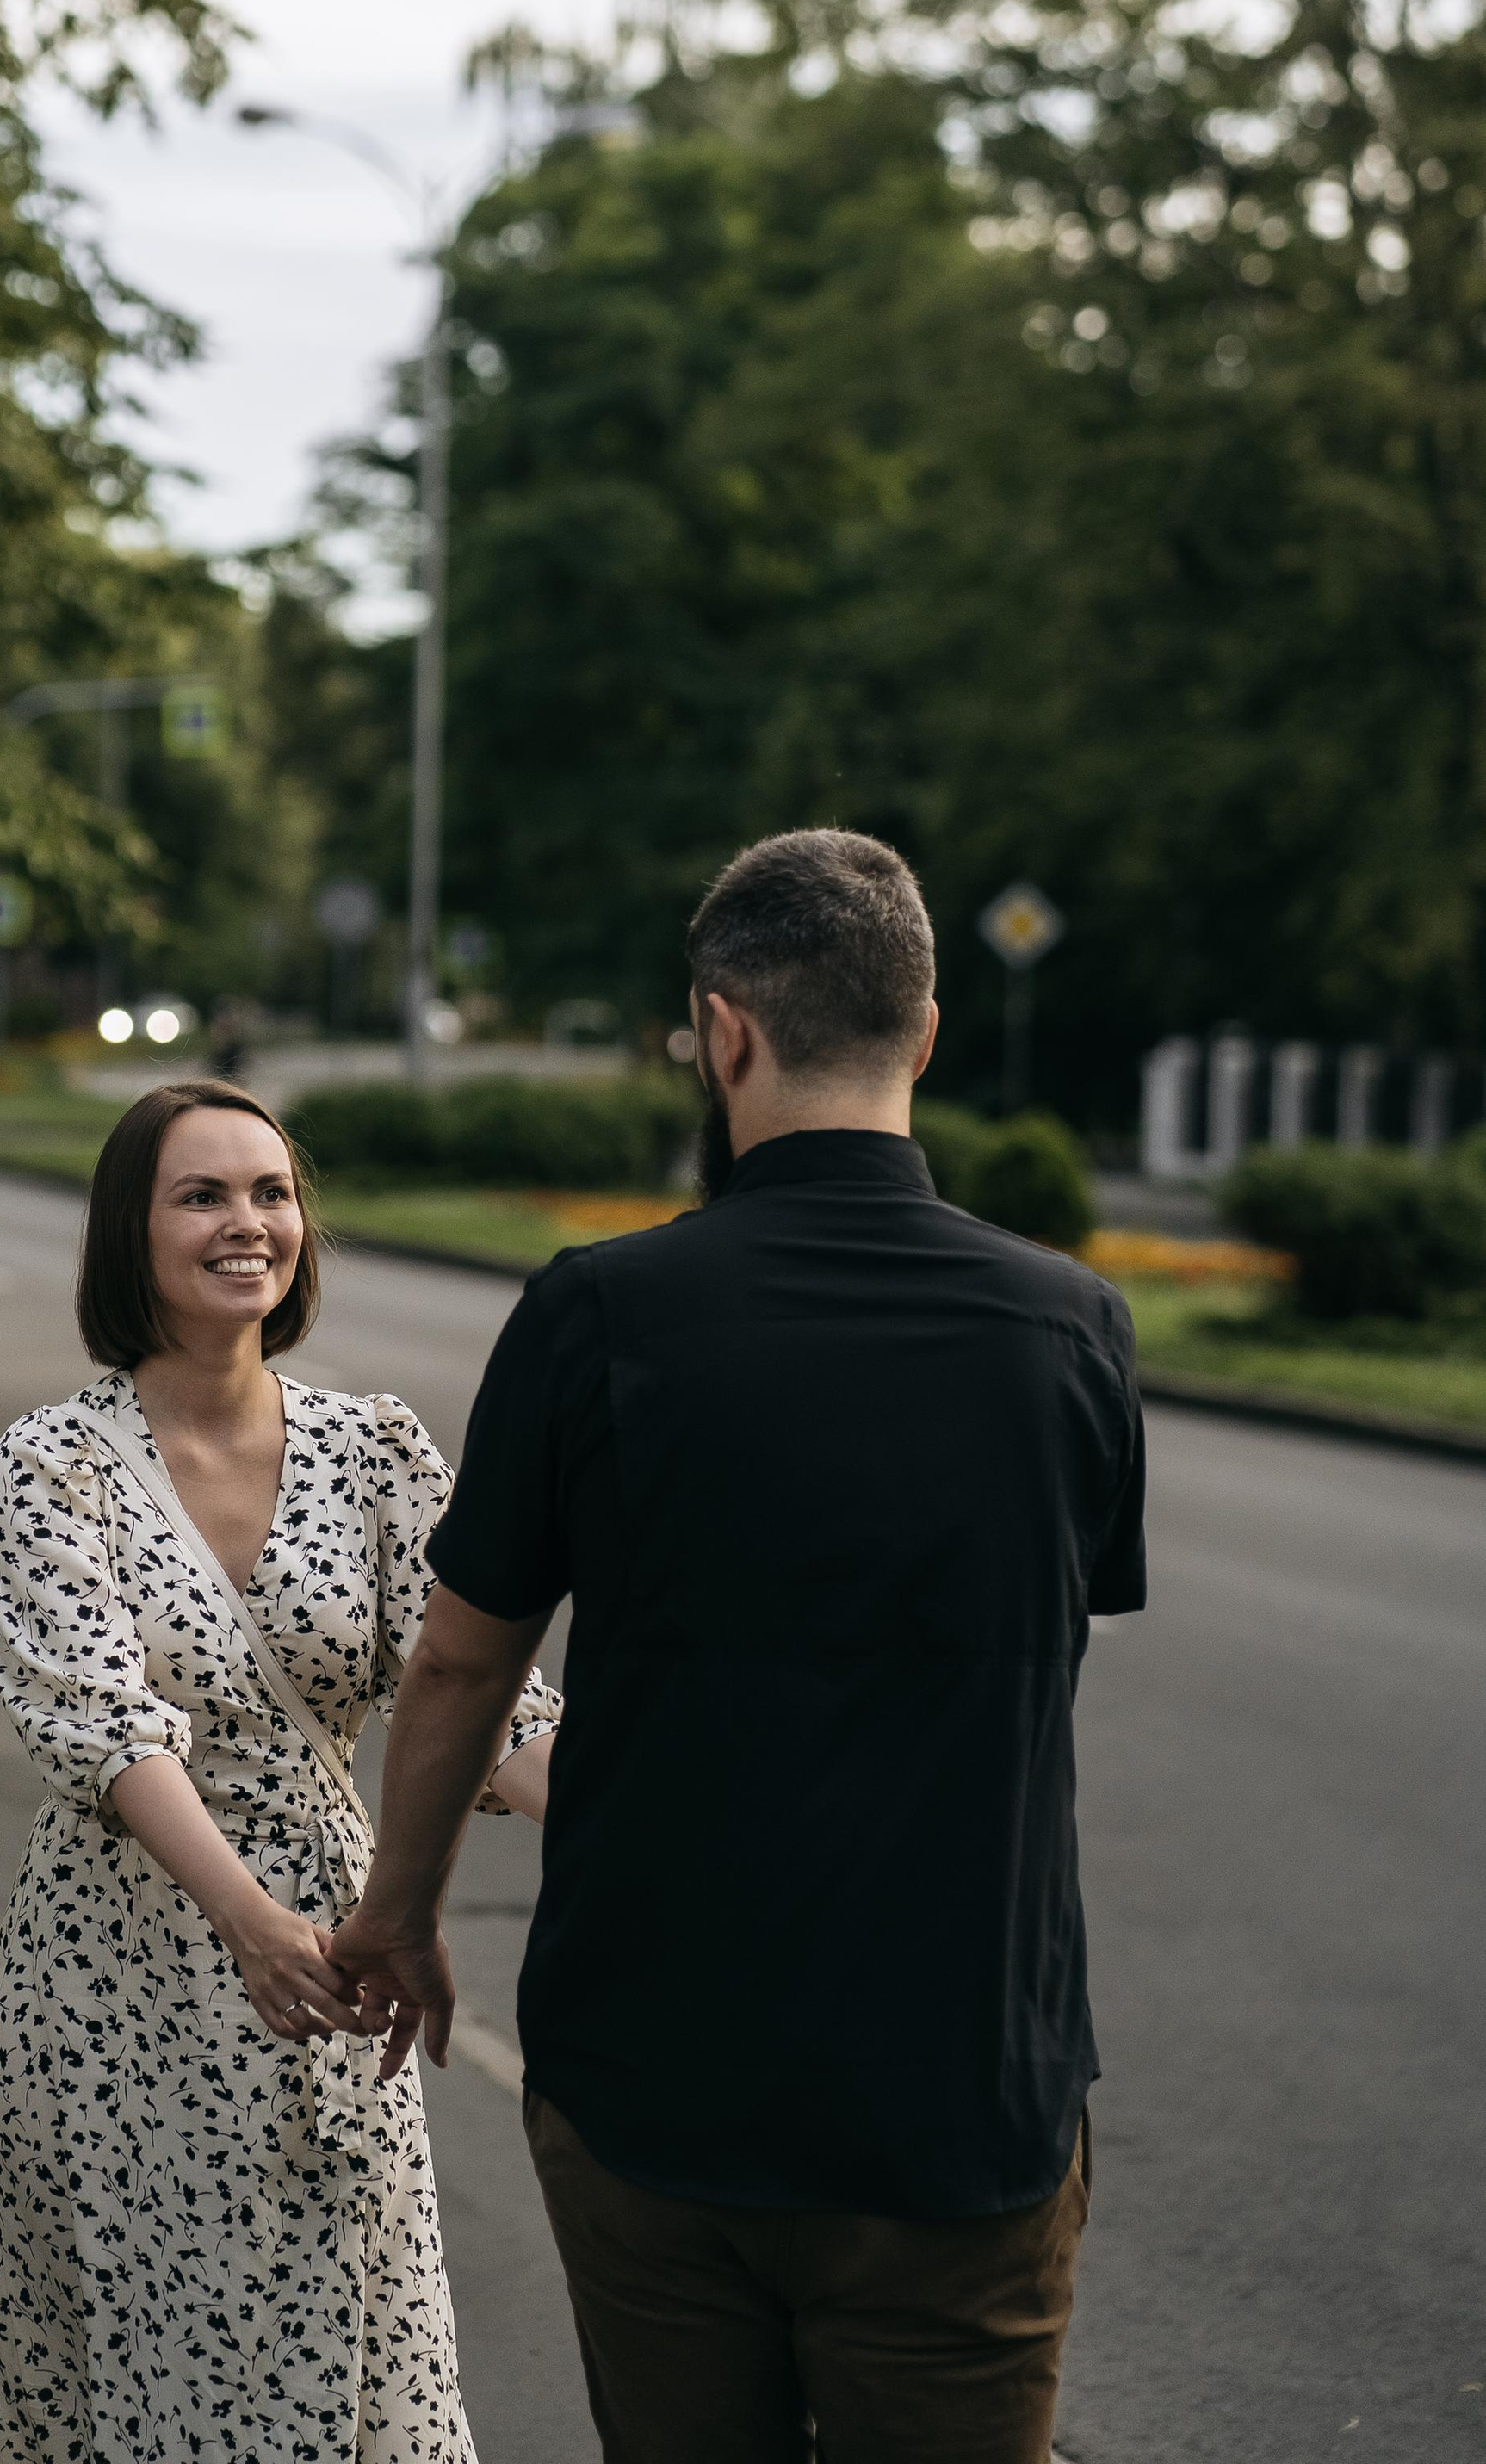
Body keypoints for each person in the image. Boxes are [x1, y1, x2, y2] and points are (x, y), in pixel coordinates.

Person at [334, 829, 1147, 2464]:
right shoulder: (1068, 1330)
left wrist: (399, 1914)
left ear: (722, 1031)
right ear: (923, 1035)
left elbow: (460, 1669)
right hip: (959, 2101)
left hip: (658, 2087)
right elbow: (1029, 1656)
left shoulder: (597, 1315)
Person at [0, 1077, 560, 2464]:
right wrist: (251, 1926)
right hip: (117, 1985)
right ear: (132, 1233)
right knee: (147, 2378)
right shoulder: (50, 1467)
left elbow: (479, 1697)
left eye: (272, 1192)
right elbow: (104, 1727)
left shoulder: (375, 1447)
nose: (251, 1223)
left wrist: (651, 1829)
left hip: (338, 1966)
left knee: (356, 2359)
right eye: (204, 1195)